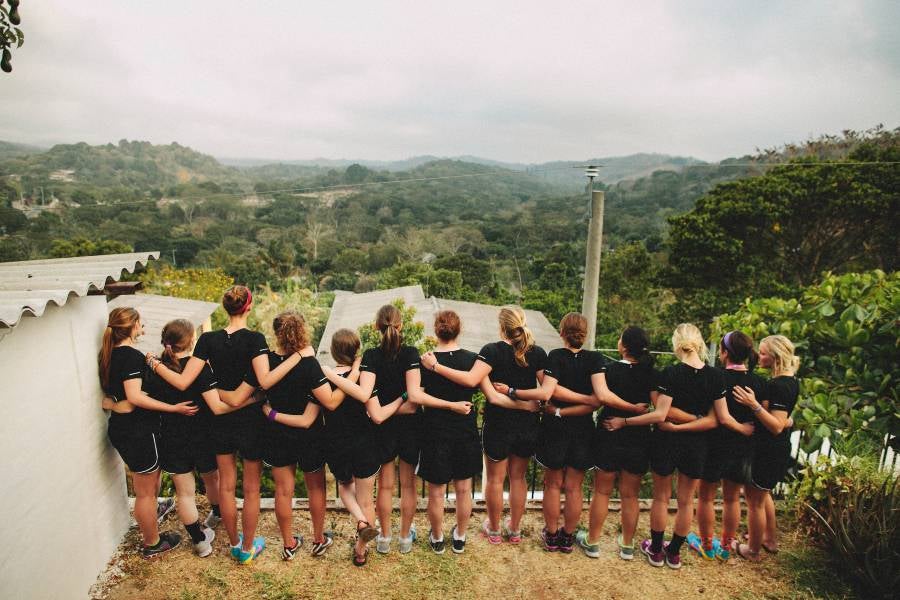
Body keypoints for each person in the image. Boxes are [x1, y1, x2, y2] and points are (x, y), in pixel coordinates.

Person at [150, 285, 299, 564]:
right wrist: (296, 359)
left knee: (227, 487)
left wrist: (154, 364)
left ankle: (234, 543)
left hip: (219, 422)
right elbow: (265, 381)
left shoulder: (207, 339)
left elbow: (185, 381)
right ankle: (247, 549)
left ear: (225, 308)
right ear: (249, 307)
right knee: (252, 489)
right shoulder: (255, 339)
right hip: (251, 424)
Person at [605, 323, 724, 569]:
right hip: (697, 444)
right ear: (699, 343)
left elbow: (661, 414)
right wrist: (693, 421)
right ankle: (675, 553)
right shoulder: (715, 376)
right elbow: (715, 420)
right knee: (686, 501)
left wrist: (626, 421)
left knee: (661, 497)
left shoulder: (670, 374)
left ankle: (656, 550)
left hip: (667, 441)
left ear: (676, 343)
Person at [421, 306, 543, 545]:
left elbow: (491, 396)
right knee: (518, 478)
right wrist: (527, 405)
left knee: (495, 480)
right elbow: (547, 390)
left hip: (496, 425)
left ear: (501, 327)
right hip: (527, 426)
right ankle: (515, 530)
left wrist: (435, 366)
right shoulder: (536, 353)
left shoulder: (491, 352)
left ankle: (495, 529)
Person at [492, 313, 600, 553]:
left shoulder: (555, 357)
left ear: (562, 332)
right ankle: (567, 537)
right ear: (586, 333)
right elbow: (598, 399)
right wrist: (588, 401)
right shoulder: (595, 360)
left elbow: (548, 392)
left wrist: (513, 391)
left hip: (556, 427)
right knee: (574, 487)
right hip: (583, 428)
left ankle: (551, 535)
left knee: (552, 484)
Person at [323, 304, 425, 555]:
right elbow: (413, 399)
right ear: (400, 326)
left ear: (376, 327)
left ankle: (384, 539)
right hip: (411, 428)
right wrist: (402, 402)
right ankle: (404, 539)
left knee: (387, 487)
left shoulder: (370, 357)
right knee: (409, 486)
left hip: (384, 430)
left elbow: (367, 398)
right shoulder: (412, 353)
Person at [98, 307, 198, 559]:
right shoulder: (131, 356)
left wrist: (112, 404)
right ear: (132, 327)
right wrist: (172, 408)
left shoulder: (108, 354)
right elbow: (133, 399)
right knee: (145, 492)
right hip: (138, 432)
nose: (144, 327)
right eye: (140, 323)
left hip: (124, 428)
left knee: (147, 488)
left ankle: (151, 520)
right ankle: (152, 543)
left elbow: (120, 398)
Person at [143, 318, 246, 557]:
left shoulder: (156, 370)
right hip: (203, 433)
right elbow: (217, 405)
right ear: (191, 341)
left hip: (171, 436)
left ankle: (200, 542)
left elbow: (147, 398)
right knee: (212, 479)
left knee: (185, 493)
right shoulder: (199, 368)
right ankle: (217, 513)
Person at [257, 311, 334, 560]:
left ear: (276, 333)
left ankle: (289, 543)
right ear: (301, 331)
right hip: (310, 435)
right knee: (316, 489)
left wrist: (270, 413)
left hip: (277, 434)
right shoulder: (309, 364)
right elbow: (328, 400)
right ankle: (319, 539)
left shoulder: (266, 361)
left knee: (283, 491)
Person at [575, 326, 655, 560]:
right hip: (639, 437)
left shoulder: (608, 371)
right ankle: (628, 546)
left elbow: (598, 400)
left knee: (602, 491)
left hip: (609, 433)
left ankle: (593, 541)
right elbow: (656, 408)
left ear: (624, 346)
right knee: (630, 495)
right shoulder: (651, 373)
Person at [689, 330, 764, 561]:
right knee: (733, 498)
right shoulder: (758, 381)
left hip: (713, 444)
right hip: (743, 447)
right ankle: (725, 546)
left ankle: (706, 546)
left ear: (724, 353)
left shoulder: (714, 377)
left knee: (706, 497)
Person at [312, 329, 379, 566]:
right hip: (364, 442)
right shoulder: (364, 376)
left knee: (344, 487)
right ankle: (361, 551)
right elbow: (372, 408)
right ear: (356, 350)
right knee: (367, 499)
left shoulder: (324, 378)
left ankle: (361, 522)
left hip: (336, 443)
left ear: (333, 351)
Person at [415, 311, 480, 554]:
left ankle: (438, 538)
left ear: (436, 330)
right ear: (459, 329)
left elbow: (418, 395)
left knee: (437, 491)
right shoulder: (472, 359)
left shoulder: (426, 360)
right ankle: (460, 537)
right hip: (465, 429)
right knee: (464, 489)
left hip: (435, 430)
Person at [732, 334, 800, 561]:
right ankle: (769, 539)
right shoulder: (792, 381)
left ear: (775, 356)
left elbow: (776, 426)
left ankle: (752, 550)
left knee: (754, 502)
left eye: (762, 353)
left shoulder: (778, 386)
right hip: (775, 450)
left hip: (768, 450)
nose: (758, 357)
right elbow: (785, 420)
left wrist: (753, 405)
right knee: (764, 495)